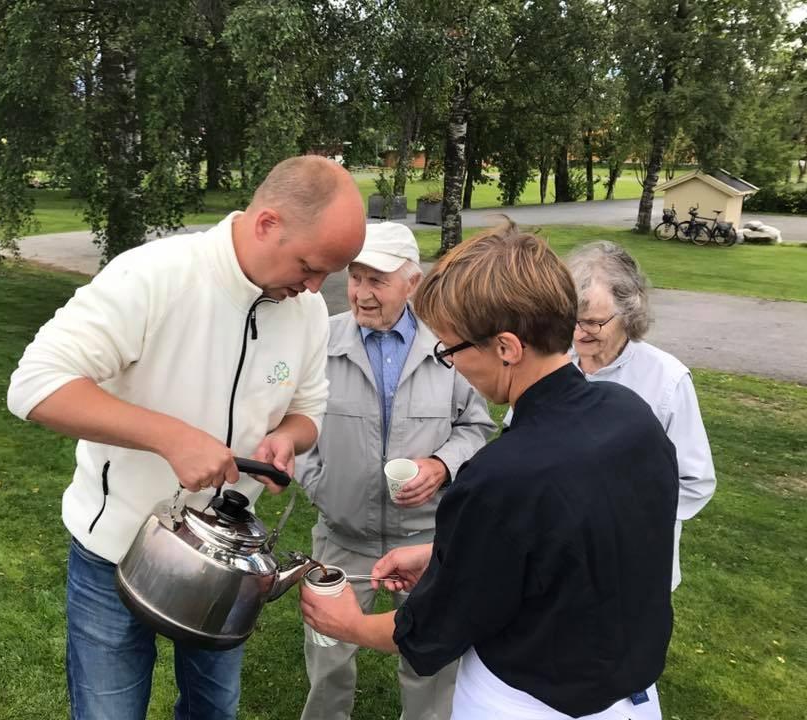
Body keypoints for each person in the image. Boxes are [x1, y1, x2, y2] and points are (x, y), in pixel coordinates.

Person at [6, 155, 366, 720]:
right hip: (116, 550)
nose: (318, 287)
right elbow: (34, 385)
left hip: (228, 566)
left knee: (214, 711)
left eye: (330, 273)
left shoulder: (309, 310)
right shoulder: (154, 275)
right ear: (267, 223)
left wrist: (287, 439)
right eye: (310, 265)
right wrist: (170, 437)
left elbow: (308, 409)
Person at [301, 225, 679, 720]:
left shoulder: (501, 477)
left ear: (506, 348)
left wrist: (347, 623)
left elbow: (432, 631)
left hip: (527, 701)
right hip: (632, 697)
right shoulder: (630, 414)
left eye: (453, 350)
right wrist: (447, 551)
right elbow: (565, 547)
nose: (452, 366)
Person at [297, 222, 494, 720]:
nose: (361, 294)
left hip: (428, 542)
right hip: (340, 538)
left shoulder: (451, 346)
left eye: (376, 281)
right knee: (327, 660)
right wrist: (319, 485)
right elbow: (292, 422)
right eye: (356, 278)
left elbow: (476, 426)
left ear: (413, 283)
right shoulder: (320, 340)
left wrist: (441, 465)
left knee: (429, 664)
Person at [565, 240, 716, 590]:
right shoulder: (554, 362)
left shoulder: (666, 379)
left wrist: (624, 520)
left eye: (591, 322)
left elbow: (695, 481)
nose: (577, 333)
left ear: (629, 312)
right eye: (569, 320)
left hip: (633, 565)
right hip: (562, 558)